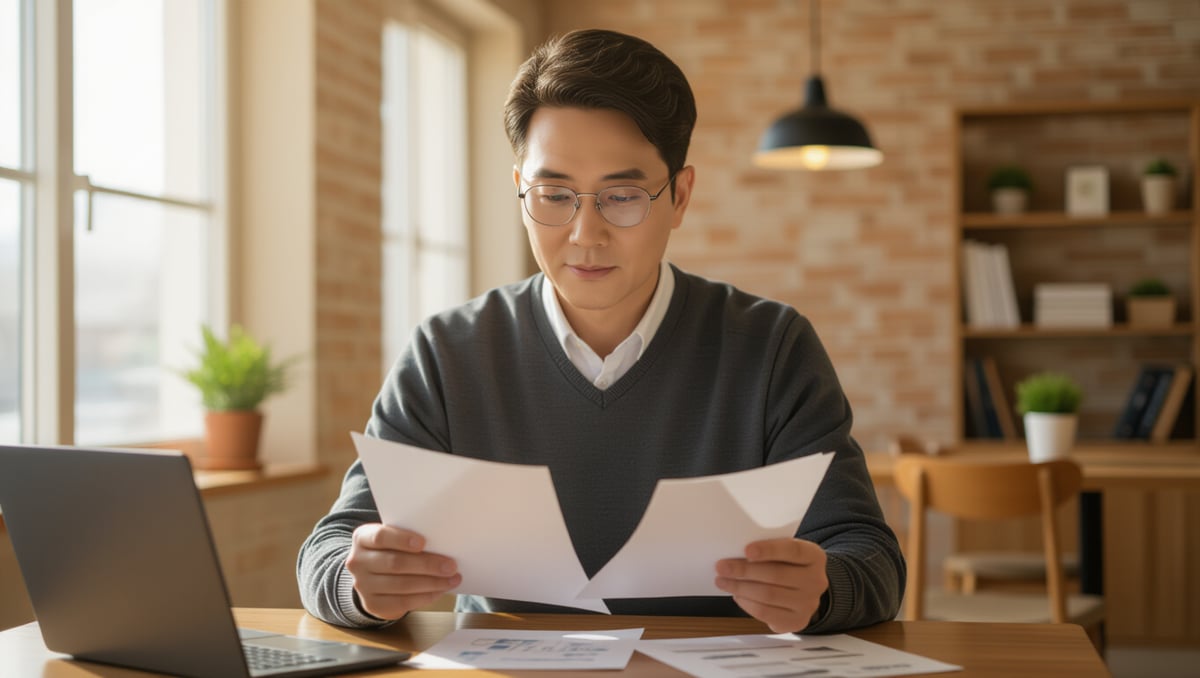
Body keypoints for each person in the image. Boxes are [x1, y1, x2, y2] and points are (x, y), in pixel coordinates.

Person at [298, 28, 903, 634]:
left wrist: (823, 590)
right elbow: (331, 548)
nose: (585, 233)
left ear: (681, 196)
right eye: (554, 194)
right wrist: (361, 583)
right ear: (519, 189)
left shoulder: (773, 348)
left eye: (622, 195)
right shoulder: (447, 353)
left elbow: (869, 557)